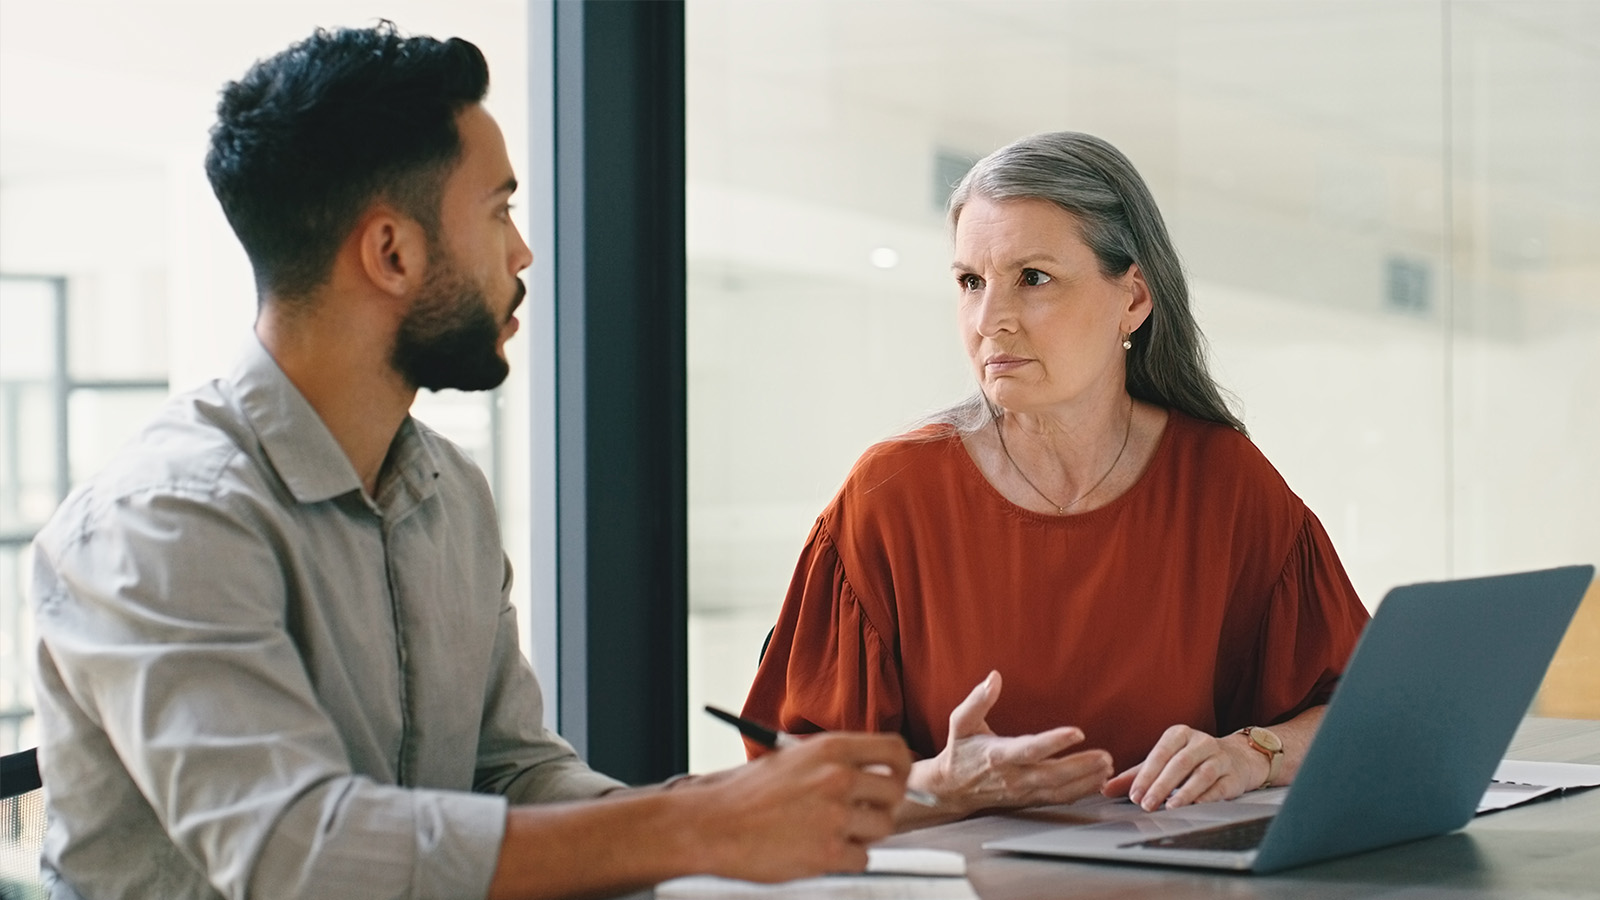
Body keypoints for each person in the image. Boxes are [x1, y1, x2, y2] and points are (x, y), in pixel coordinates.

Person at [27, 23, 911, 900]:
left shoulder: (449, 492)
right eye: (499, 211)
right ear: (392, 252)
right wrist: (701, 826)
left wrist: (774, 809)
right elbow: (298, 856)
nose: (523, 253)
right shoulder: (165, 520)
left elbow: (515, 776)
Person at [742, 131, 1371, 830]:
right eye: (970, 282)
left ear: (1132, 298)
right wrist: (941, 785)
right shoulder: (889, 497)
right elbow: (784, 787)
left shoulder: (1225, 482)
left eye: (1032, 278)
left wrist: (1257, 752)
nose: (989, 321)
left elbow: (1362, 707)